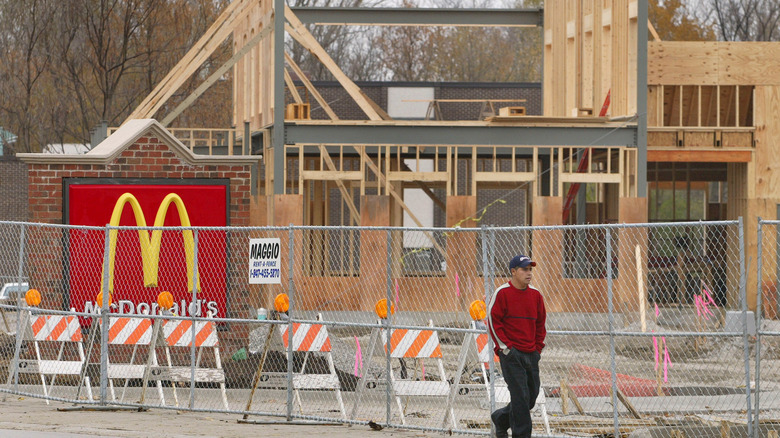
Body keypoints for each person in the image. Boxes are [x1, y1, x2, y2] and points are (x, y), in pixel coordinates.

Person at [487, 254, 546, 438]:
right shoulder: (503, 293)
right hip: (511, 355)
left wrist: (537, 348)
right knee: (520, 397)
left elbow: (540, 324)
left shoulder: (535, 295)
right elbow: (493, 322)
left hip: (531, 353)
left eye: (530, 269)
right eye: (524, 269)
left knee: (531, 396)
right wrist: (506, 348)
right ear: (513, 272)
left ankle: (501, 418)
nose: (529, 273)